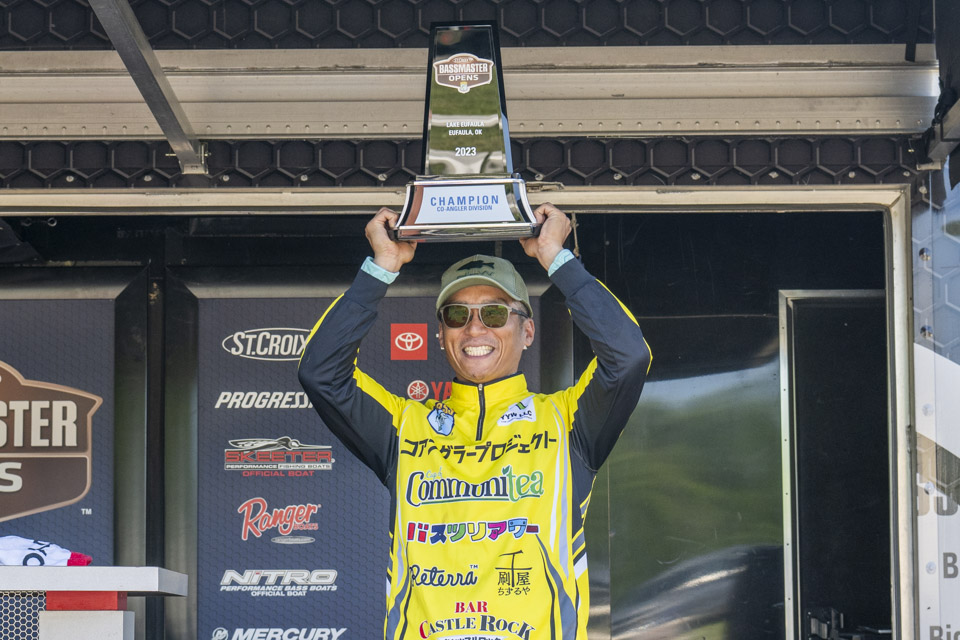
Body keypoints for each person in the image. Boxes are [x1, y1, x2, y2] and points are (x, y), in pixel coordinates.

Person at [299, 203, 650, 640]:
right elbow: (322, 374)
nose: (474, 329)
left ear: (527, 331)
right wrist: (381, 268)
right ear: (440, 334)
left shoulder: (566, 423)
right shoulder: (405, 426)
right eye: (457, 315)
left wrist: (556, 258)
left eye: (495, 313)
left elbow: (627, 357)